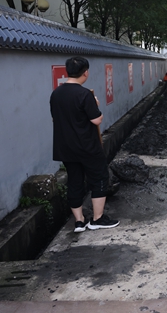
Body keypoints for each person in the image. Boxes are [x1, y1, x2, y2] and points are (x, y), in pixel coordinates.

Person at [49, 57, 119, 232]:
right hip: (87, 146)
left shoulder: (56, 94)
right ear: (85, 72)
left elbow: (55, 118)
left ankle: (79, 221)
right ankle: (97, 219)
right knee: (99, 178)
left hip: (65, 147)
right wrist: (95, 105)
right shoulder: (85, 94)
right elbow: (96, 120)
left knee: (74, 181)